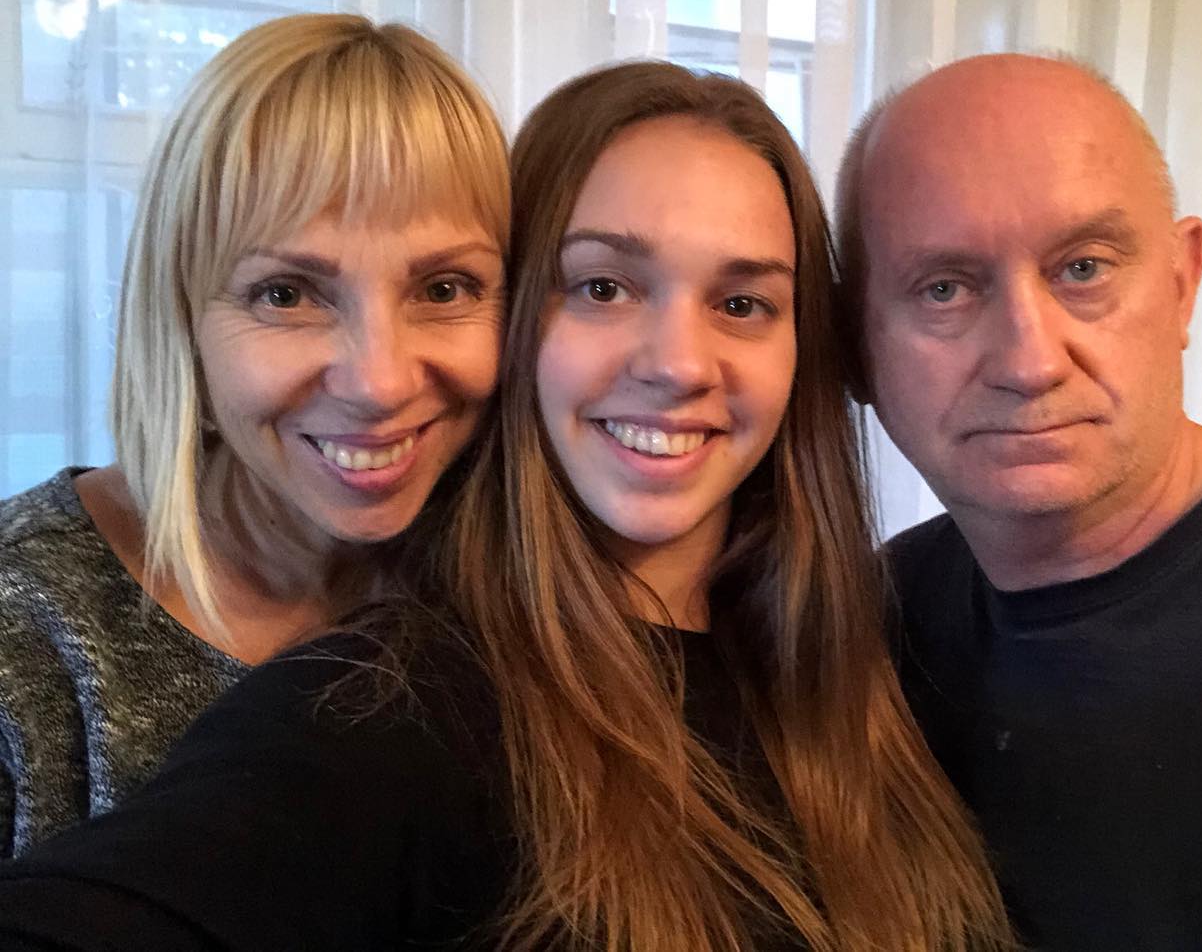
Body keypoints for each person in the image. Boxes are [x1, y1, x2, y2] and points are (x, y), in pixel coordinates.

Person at [0, 62, 1012, 951]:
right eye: (604, 286)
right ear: (521, 317)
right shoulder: (390, 707)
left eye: (743, 303)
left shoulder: (874, 659)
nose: (678, 363)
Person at [836, 52, 1202, 950]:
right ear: (854, 346)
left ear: (1182, 282)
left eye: (1083, 268)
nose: (1030, 362)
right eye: (945, 289)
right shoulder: (860, 639)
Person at [0, 14, 509, 857]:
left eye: (445, 288)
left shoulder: (515, 593)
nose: (380, 382)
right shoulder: (26, 634)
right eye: (286, 294)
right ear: (182, 321)